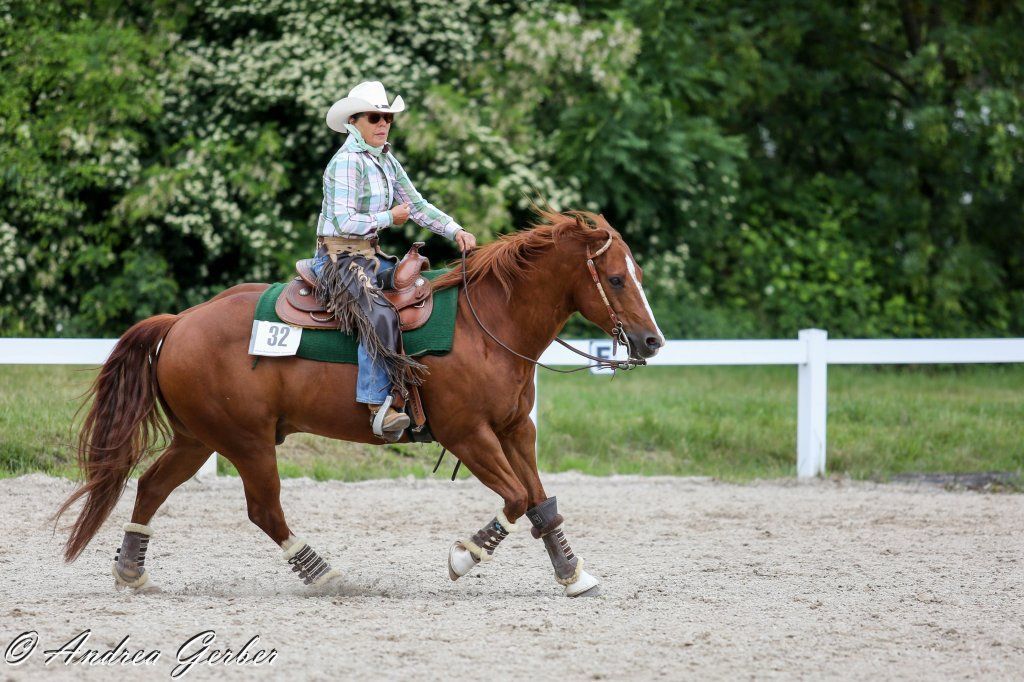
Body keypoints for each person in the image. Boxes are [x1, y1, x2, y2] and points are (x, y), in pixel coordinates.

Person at [312, 81, 476, 440]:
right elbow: (342, 222)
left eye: (387, 117)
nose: (383, 123)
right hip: (336, 259)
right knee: (380, 313)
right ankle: (377, 406)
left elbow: (416, 205)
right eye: (375, 117)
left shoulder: (386, 159)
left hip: (369, 257)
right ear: (354, 121)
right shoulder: (345, 163)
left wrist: (454, 230)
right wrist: (389, 218)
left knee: (420, 290)